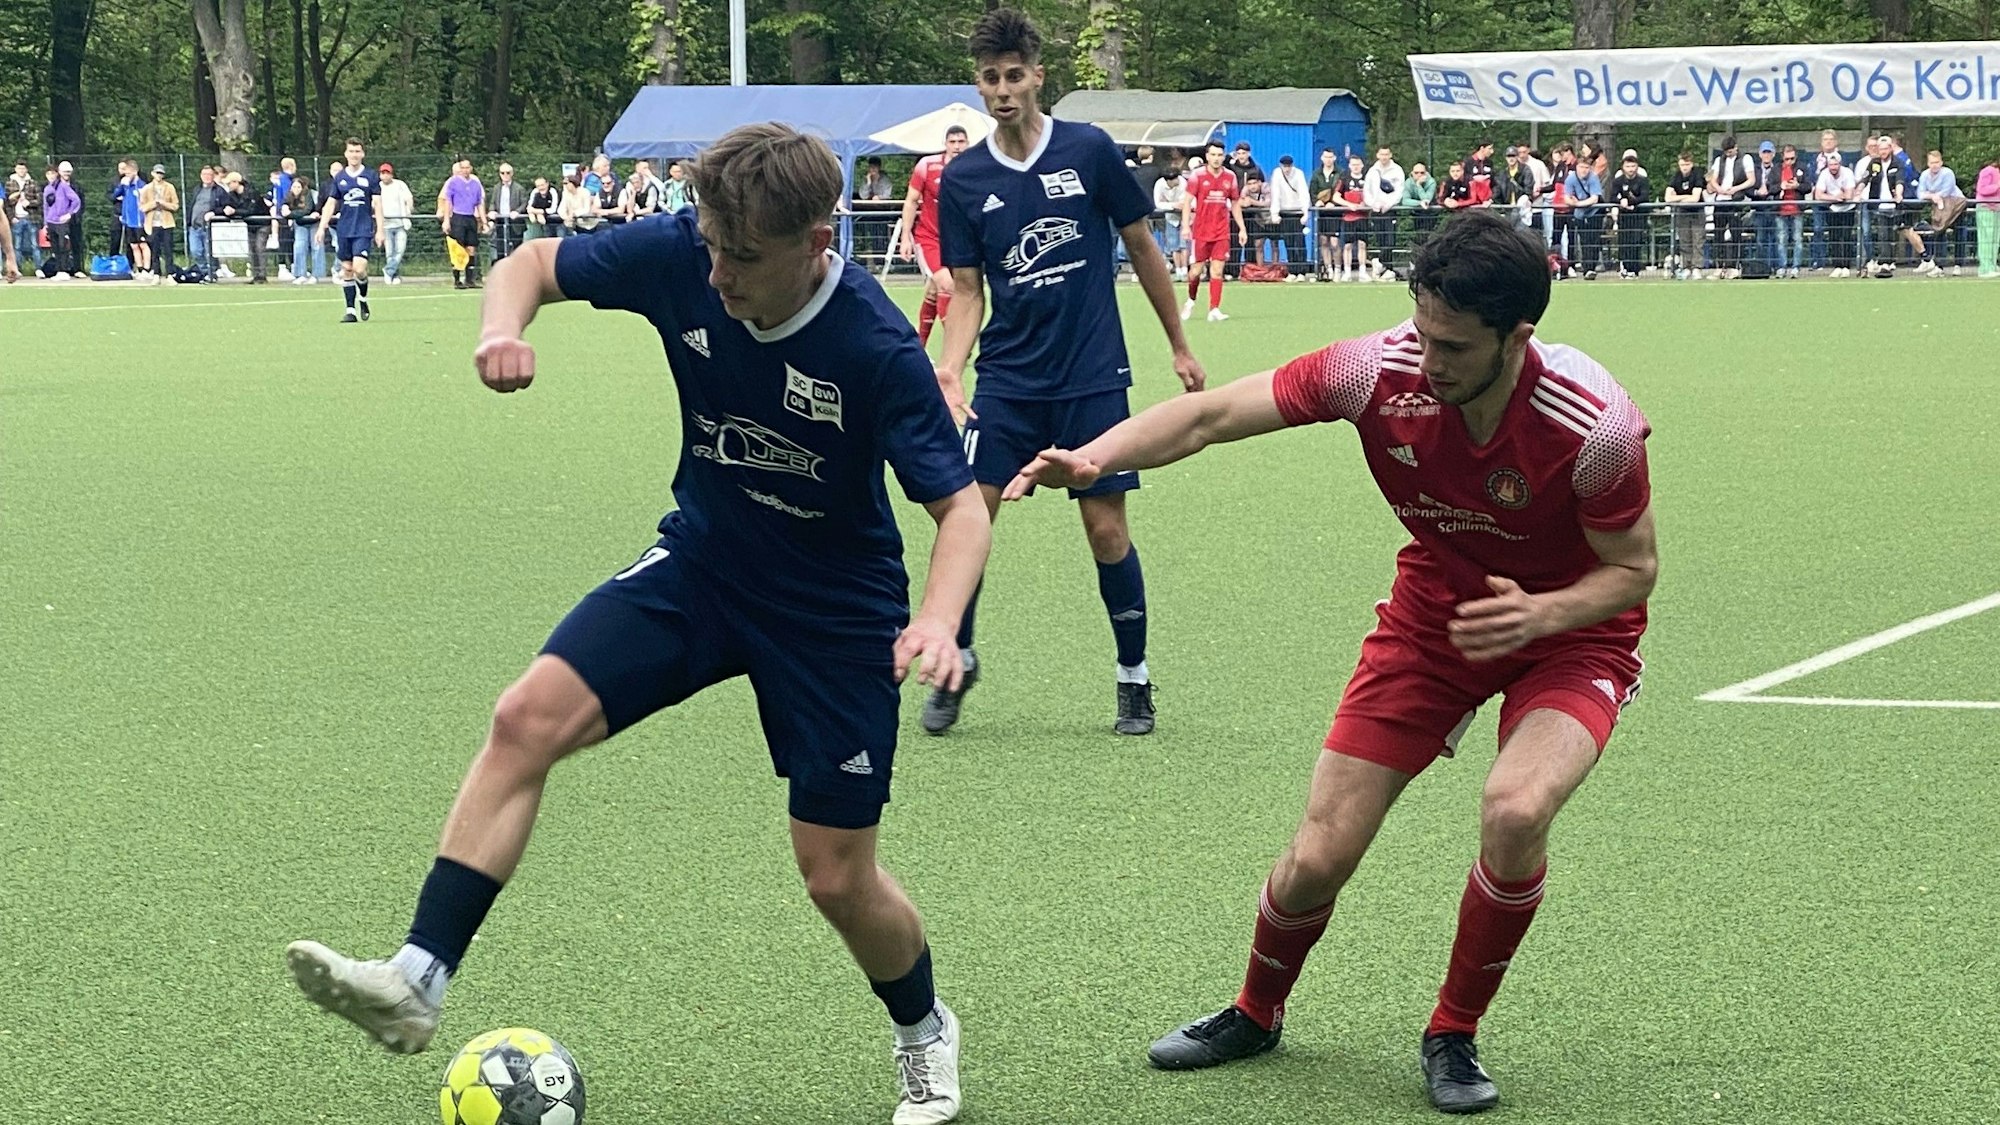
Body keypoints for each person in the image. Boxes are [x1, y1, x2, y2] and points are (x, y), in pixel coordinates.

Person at [284, 121, 989, 1125]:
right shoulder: (681, 255)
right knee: (526, 717)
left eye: (740, 258)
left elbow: (959, 509)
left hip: (834, 614)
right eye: (707, 247)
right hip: (703, 563)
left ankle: (923, 1032)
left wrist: (936, 618)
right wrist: (499, 328)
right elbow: (528, 261)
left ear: (816, 242)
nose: (716, 275)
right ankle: (416, 979)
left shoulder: (873, 347)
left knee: (835, 878)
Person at [1008, 209, 1655, 1116]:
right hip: (1437, 615)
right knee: (1319, 854)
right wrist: (1092, 458)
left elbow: (1633, 572)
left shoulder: (1594, 426)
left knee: (1516, 807)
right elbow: (1209, 416)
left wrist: (1539, 614)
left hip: (1572, 631)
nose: (1430, 362)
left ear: (1518, 338)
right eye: (1423, 332)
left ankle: (1453, 1031)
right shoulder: (1375, 370)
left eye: (1455, 347)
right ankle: (1254, 1011)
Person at [930, 6, 1207, 737]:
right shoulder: (963, 179)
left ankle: (1133, 678)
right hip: (1007, 385)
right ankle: (956, 656)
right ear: (979, 86)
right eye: (989, 78)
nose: (1002, 90)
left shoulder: (1087, 151)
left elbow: (1143, 247)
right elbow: (965, 289)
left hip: (1090, 376)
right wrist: (950, 369)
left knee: (1106, 530)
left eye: (1014, 75)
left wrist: (1178, 343)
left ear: (1038, 76)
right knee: (967, 520)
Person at [898, 124, 971, 348]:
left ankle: (919, 346)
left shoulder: (974, 169)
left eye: (961, 142)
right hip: (929, 238)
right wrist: (906, 237)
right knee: (947, 286)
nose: (957, 146)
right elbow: (911, 201)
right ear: (945, 144)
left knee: (933, 291)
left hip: (956, 241)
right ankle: (956, 344)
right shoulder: (927, 166)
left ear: (967, 144)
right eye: (953, 142)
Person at [317, 138, 384, 322]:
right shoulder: (340, 178)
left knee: (359, 269)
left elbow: (377, 204)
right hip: (344, 229)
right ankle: (350, 311)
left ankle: (362, 297)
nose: (354, 155)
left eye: (357, 151)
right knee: (347, 269)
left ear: (362, 154)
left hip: (363, 228)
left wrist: (380, 229)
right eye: (351, 151)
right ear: (346, 154)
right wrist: (322, 227)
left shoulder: (371, 176)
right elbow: (331, 203)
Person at [1181, 140, 1248, 319]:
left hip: (1221, 231)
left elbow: (1235, 203)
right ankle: (1191, 299)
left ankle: (1214, 309)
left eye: (1220, 155)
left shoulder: (1230, 177)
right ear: (1207, 156)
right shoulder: (1197, 176)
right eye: (1213, 155)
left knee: (1217, 270)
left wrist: (1242, 228)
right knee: (1195, 272)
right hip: (1201, 231)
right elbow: (1187, 201)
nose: (1216, 158)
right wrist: (1186, 225)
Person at [440, 158, 487, 288]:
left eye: (468, 168)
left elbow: (479, 204)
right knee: (458, 248)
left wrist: (484, 221)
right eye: (463, 168)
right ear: (460, 169)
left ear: (471, 169)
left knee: (471, 248)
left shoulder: (475, 184)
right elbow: (448, 202)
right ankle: (457, 279)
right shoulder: (453, 183)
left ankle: (469, 279)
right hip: (458, 217)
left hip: (470, 217)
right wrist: (447, 220)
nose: (465, 170)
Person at [141, 164, 180, 277]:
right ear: (153, 173)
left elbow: (175, 206)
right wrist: (153, 204)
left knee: (168, 250)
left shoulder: (169, 187)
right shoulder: (147, 188)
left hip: (167, 223)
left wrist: (163, 204)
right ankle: (156, 273)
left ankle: (170, 273)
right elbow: (142, 207)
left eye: (161, 173)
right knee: (154, 250)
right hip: (152, 223)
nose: (159, 175)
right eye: (157, 173)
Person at [378, 163, 414, 283]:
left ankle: (388, 271)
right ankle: (393, 275)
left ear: (391, 174)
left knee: (400, 250)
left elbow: (409, 198)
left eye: (387, 173)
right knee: (390, 252)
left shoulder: (399, 185)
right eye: (383, 173)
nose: (385, 175)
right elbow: (374, 203)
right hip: (385, 224)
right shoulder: (378, 187)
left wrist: (408, 211)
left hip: (400, 223)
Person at [1977, 151, 2000, 279]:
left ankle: (1993, 264)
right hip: (1986, 207)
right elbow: (1982, 189)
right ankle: (1985, 268)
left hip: (1997, 208)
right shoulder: (1988, 171)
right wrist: (1997, 186)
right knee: (1986, 238)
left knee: (1995, 239)